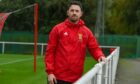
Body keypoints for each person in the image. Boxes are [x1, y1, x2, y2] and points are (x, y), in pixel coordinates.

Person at [45, 1, 107, 84]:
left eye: (77, 11)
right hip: (57, 78)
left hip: (77, 79)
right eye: (72, 10)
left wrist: (100, 56)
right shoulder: (57, 29)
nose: (74, 13)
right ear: (67, 12)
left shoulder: (86, 32)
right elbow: (50, 52)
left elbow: (94, 48)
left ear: (81, 13)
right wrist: (50, 72)